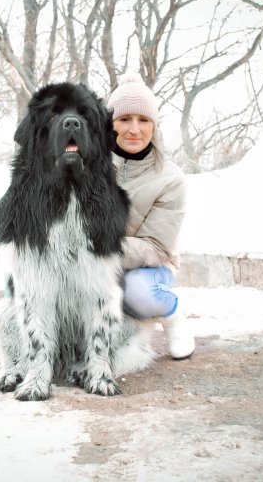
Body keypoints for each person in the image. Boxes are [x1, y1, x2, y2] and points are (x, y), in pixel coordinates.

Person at [106, 72, 194, 359]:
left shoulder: (170, 178)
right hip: (94, 258)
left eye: (143, 120)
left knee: (137, 292)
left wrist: (99, 248)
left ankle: (172, 315)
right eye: (124, 119)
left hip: (148, 266)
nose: (134, 129)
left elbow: (156, 248)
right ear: (110, 124)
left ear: (154, 125)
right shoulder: (89, 167)